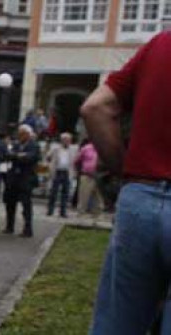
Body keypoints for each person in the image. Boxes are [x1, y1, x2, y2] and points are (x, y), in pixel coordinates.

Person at [82, 31, 171, 334]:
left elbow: (95, 108)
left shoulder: (161, 44)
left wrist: (129, 174)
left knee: (116, 324)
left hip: (140, 200)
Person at [2, 125, 40, 237]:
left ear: (28, 134)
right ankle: (9, 226)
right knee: (10, 203)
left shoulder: (34, 145)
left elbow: (30, 158)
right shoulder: (16, 144)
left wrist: (17, 156)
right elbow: (8, 155)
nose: (19, 136)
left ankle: (28, 229)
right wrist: (19, 155)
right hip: (13, 178)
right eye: (19, 134)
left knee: (26, 205)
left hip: (26, 178)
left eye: (22, 134)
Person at [45, 133, 76, 218]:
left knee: (65, 193)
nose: (67, 142)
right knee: (53, 192)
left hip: (67, 172)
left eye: (68, 140)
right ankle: (50, 210)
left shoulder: (73, 149)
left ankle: (63, 212)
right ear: (62, 140)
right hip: (57, 171)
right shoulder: (56, 148)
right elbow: (48, 156)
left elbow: (75, 160)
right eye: (65, 140)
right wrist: (50, 166)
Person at [74, 138, 102, 220]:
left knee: (98, 196)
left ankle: (97, 214)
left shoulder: (102, 149)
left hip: (98, 176)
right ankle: (81, 213)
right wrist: (79, 172)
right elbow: (76, 161)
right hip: (86, 175)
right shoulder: (86, 148)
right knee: (84, 195)